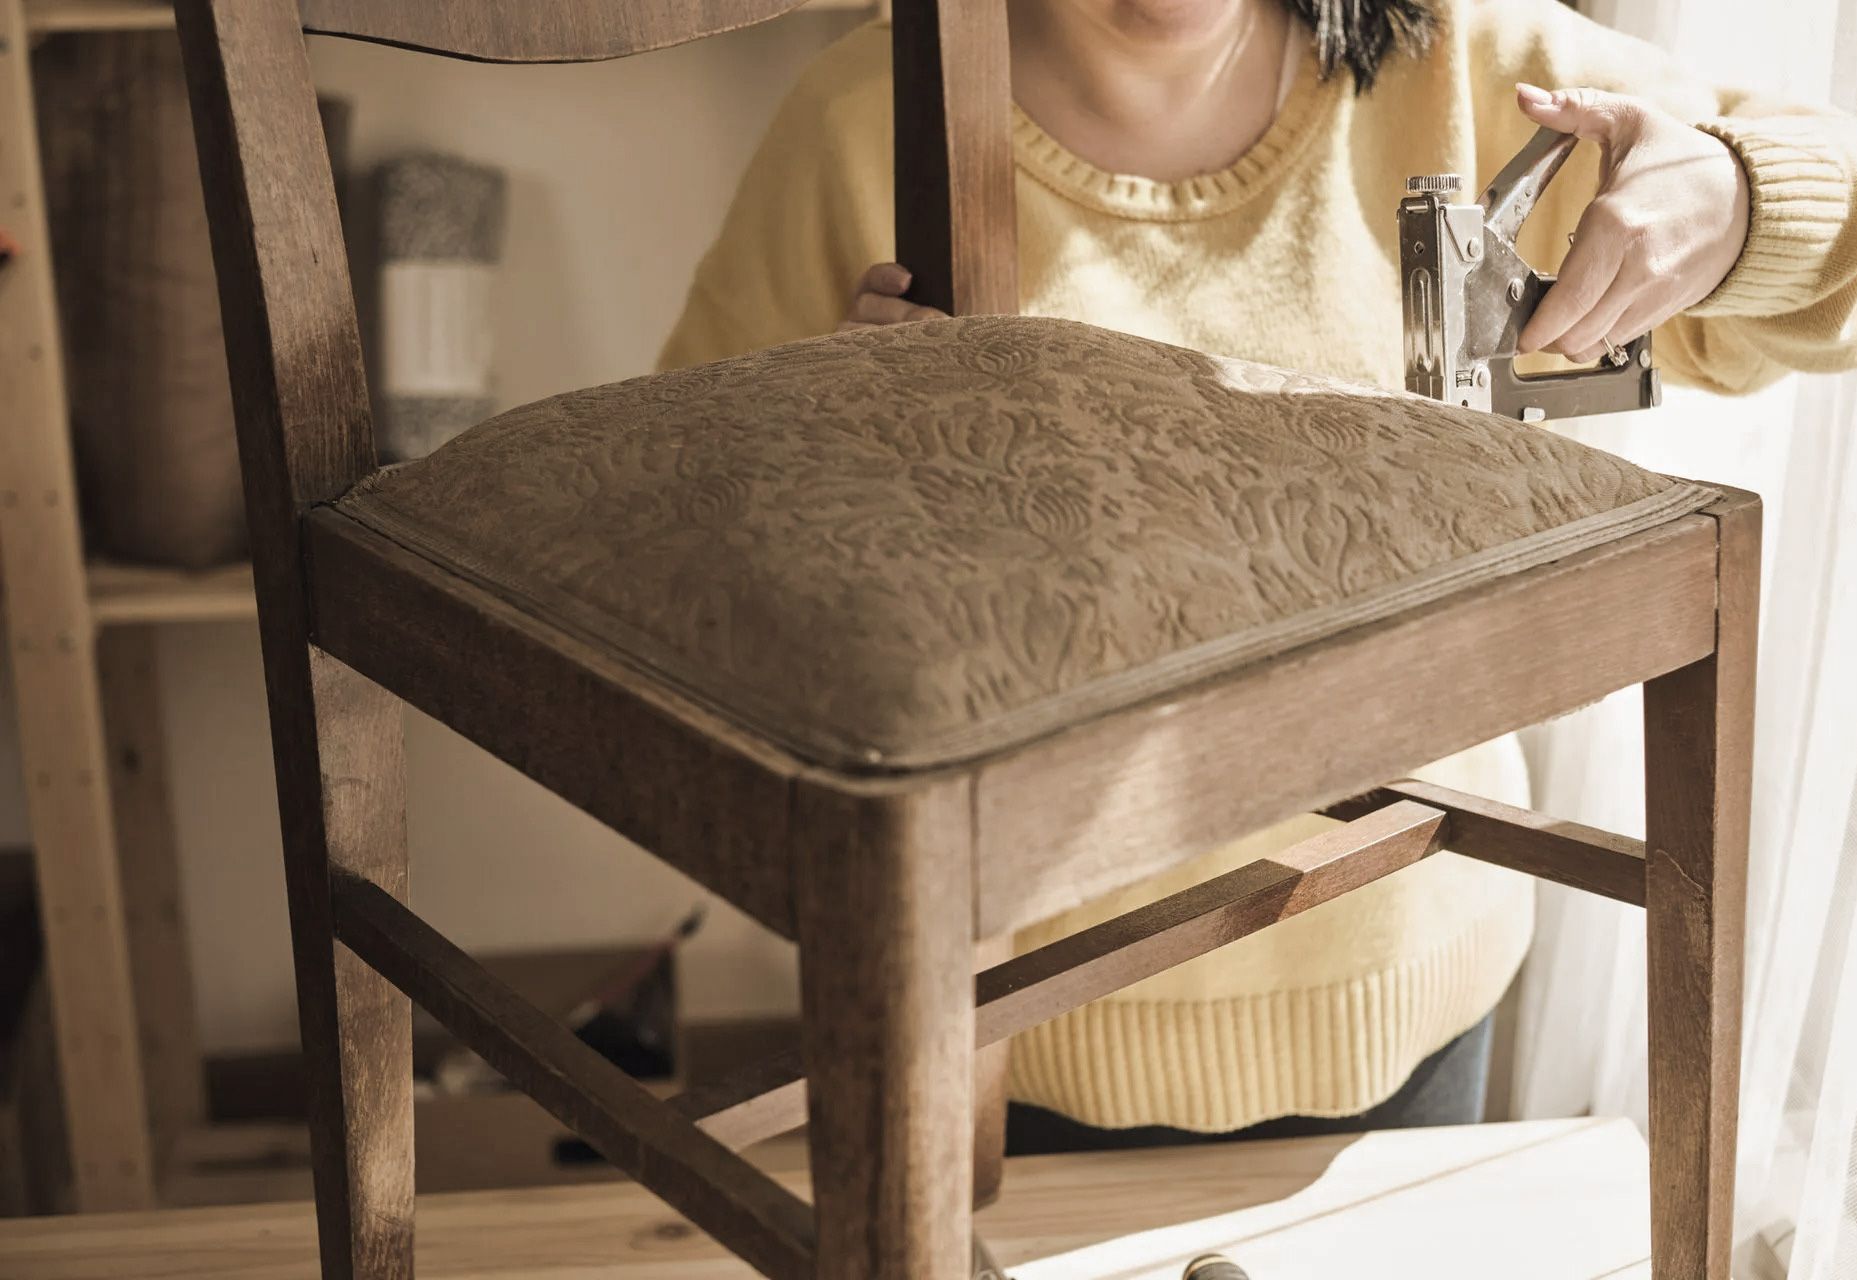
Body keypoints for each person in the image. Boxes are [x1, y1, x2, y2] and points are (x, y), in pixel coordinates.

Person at [660, 0, 1857, 1149]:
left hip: (1417, 988)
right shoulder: (860, 123)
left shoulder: (1465, 58)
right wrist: (828, 454)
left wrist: (1738, 200)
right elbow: (686, 566)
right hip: (1007, 1033)